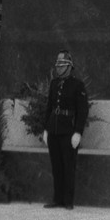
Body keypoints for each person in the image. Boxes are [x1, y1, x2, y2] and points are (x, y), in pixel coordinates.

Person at [41, 50, 89, 210]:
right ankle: (57, 199)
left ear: (69, 66)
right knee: (56, 166)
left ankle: (68, 200)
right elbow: (49, 107)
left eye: (62, 65)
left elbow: (82, 111)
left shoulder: (77, 85)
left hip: (68, 131)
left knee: (68, 167)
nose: (58, 68)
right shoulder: (54, 83)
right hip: (54, 130)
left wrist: (78, 132)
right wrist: (46, 129)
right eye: (57, 65)